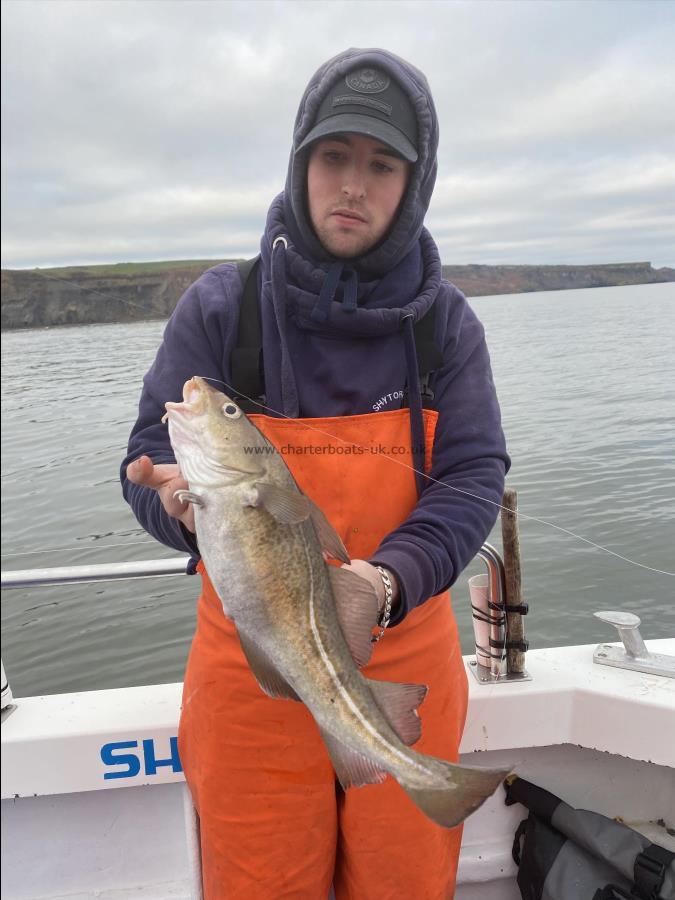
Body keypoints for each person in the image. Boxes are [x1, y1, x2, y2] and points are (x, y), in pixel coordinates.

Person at [122, 47, 509, 900]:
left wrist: (386, 581)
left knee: (404, 884)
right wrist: (179, 512)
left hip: (400, 645)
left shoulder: (444, 327)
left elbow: (474, 475)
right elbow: (145, 459)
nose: (352, 186)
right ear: (301, 163)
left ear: (415, 183)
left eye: (381, 166)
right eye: (333, 158)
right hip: (246, 668)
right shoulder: (222, 310)